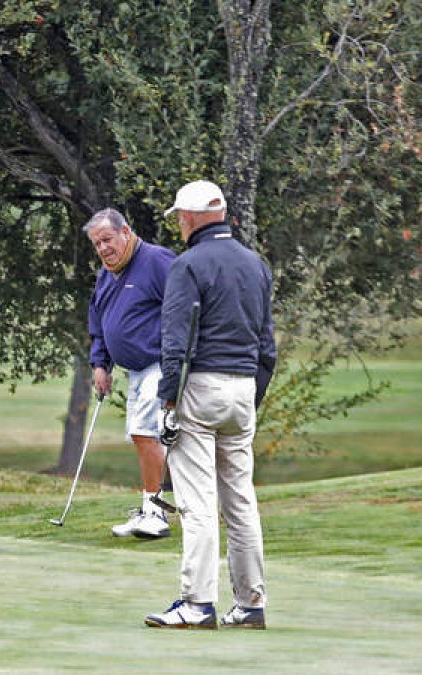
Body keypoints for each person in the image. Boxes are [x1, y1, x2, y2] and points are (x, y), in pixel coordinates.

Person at [145, 180, 275, 630]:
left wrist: (167, 401)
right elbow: (268, 347)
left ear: (192, 217)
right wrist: (252, 398)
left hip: (200, 388)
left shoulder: (187, 265)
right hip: (243, 390)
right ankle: (250, 604)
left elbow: (175, 343)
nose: (178, 223)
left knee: (198, 503)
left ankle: (198, 603)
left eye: (180, 216)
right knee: (240, 500)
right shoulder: (256, 264)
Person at [86, 208, 176, 539]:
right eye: (97, 244)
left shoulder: (156, 260)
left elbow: (185, 307)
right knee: (142, 436)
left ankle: (156, 514)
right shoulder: (106, 274)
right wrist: (100, 364)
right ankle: (150, 509)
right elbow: (100, 322)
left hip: (161, 363)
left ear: (126, 232)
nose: (103, 249)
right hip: (135, 370)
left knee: (145, 433)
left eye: (107, 239)